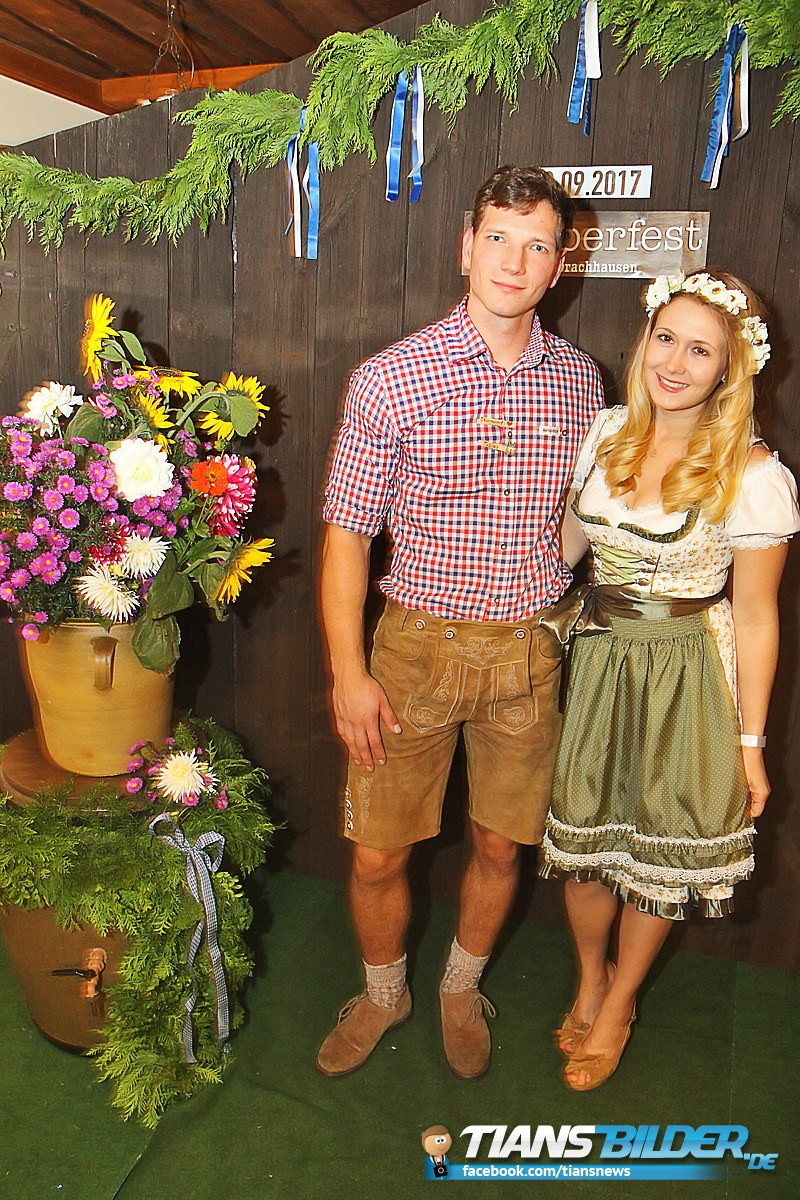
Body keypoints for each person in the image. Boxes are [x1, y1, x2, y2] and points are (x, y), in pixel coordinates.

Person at [316, 165, 604, 1079]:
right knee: (377, 855)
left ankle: (458, 985)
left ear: (558, 263)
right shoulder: (390, 378)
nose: (514, 261)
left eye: (536, 244)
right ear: (465, 248)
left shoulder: (581, 384)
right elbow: (347, 539)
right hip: (411, 653)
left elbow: (579, 519)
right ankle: (383, 992)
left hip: (527, 653)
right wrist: (348, 674)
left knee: (500, 843)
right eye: (498, 238)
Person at [540, 269, 800, 1091]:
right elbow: (565, 548)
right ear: (644, 339)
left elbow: (756, 617)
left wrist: (751, 745)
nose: (676, 363)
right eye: (666, 339)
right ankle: (591, 977)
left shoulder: (751, 473)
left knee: (658, 850)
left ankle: (620, 1003)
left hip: (686, 672)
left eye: (701, 350)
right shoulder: (606, 431)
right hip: (596, 660)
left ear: (729, 369)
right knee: (584, 844)